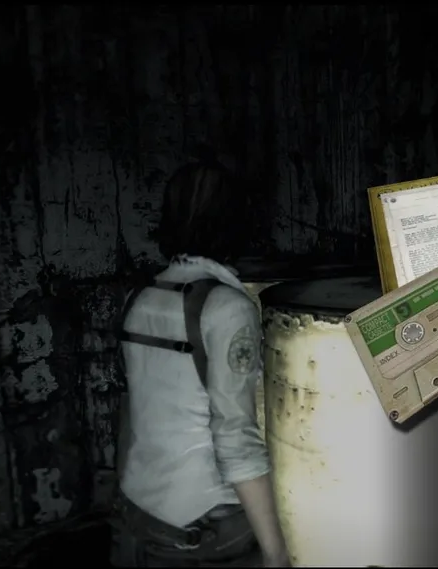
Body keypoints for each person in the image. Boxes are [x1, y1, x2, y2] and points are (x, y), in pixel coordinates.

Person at [110, 156, 290, 567]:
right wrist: (278, 554)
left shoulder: (138, 298)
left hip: (137, 511)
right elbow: (236, 438)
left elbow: (130, 413)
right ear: (237, 223)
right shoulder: (227, 307)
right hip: (199, 525)